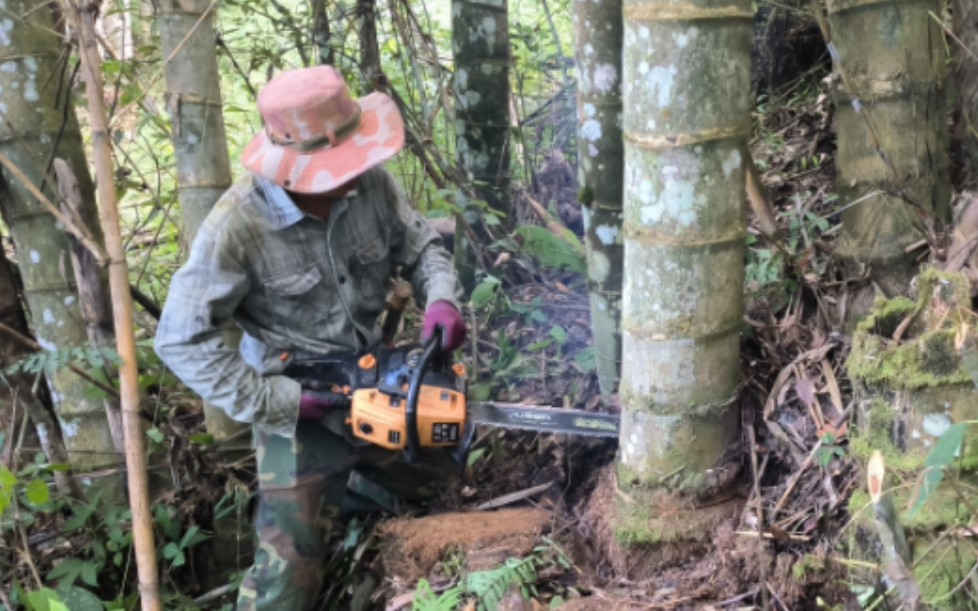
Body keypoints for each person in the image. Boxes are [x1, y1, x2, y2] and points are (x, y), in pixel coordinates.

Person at [155, 65, 467, 610]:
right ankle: (326, 502)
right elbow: (180, 340)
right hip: (299, 406)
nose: (353, 172)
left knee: (438, 481)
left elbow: (421, 247)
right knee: (285, 583)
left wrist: (441, 297)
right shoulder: (238, 227)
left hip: (379, 378)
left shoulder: (371, 181)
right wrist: (279, 401)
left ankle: (356, 497)